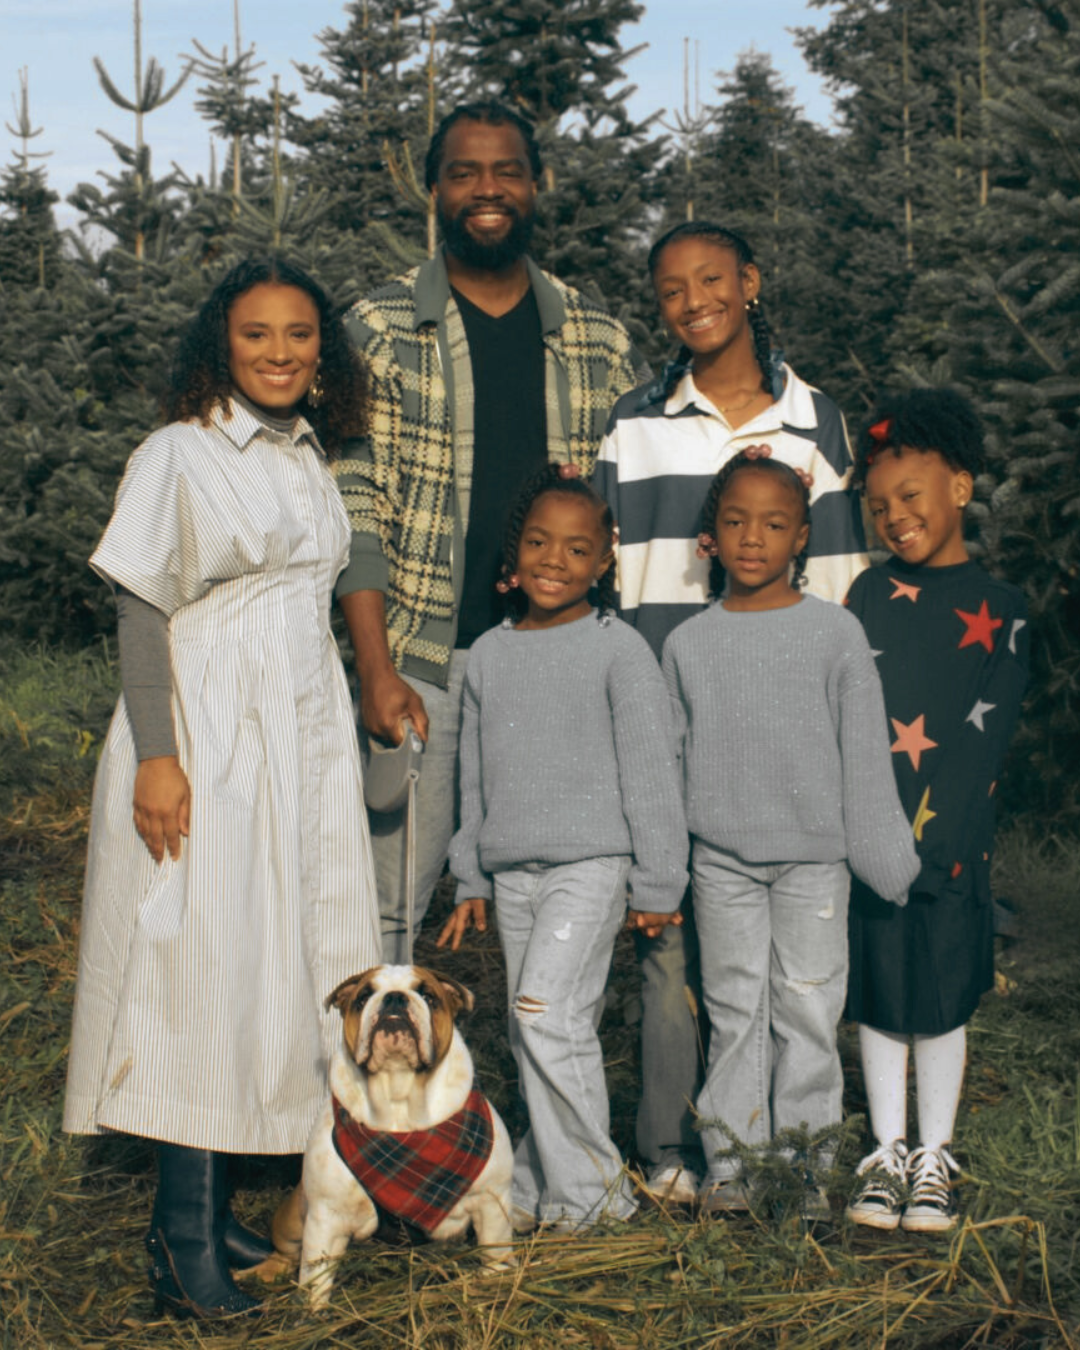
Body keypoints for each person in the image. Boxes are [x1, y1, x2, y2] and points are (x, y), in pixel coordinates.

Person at [62, 258, 381, 1319]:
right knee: (199, 958)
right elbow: (142, 611)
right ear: (221, 344)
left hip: (299, 733)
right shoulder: (179, 452)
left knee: (270, 959)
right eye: (258, 335)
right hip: (207, 731)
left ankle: (216, 1213)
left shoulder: (308, 456)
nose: (282, 353)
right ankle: (180, 1238)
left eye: (300, 335)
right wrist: (159, 753)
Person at [592, 220, 868, 1205]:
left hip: (782, 744)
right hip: (668, 726)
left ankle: (791, 1155)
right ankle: (676, 1150)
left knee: (786, 973)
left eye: (712, 279)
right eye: (670, 289)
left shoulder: (814, 420)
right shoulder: (634, 424)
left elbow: (839, 584)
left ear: (750, 283)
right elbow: (604, 579)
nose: (692, 300)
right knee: (670, 952)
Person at [333, 100, 644, 962]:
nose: (487, 189)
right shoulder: (380, 330)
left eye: (506, 169)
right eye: (464, 172)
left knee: (550, 901)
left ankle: (529, 1078)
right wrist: (376, 668)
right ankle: (364, 1090)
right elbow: (355, 508)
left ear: (537, 184)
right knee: (389, 898)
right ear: (434, 189)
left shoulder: (597, 338)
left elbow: (633, 517)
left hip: (556, 667)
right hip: (422, 664)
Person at [662, 450, 918, 1219]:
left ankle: (803, 1171)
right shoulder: (688, 643)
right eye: (735, 522)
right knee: (736, 1010)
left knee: (807, 1010)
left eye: (773, 524)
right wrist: (664, 871)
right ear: (712, 535)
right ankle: (735, 1167)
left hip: (814, 863)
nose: (752, 538)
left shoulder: (833, 635)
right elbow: (672, 765)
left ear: (801, 536)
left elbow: (865, 754)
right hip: (723, 864)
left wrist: (886, 857)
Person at [437, 465, 688, 1230]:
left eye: (577, 549)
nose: (555, 560)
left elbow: (652, 773)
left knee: (543, 1015)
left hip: (592, 865)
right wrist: (470, 872)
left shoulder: (620, 651)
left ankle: (593, 1197)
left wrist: (657, 885)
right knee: (536, 1024)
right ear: (514, 551)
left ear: (604, 562)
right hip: (514, 872)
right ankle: (539, 1179)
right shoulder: (488, 653)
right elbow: (473, 776)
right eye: (539, 542)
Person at [843, 389, 1028, 1234]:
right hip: (872, 836)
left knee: (943, 996)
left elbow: (990, 741)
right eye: (878, 506)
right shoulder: (865, 600)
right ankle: (884, 1151)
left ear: (960, 487)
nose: (894, 517)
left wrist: (948, 839)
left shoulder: (1005, 609)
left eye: (911, 498)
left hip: (954, 842)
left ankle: (935, 1155)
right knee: (881, 992)